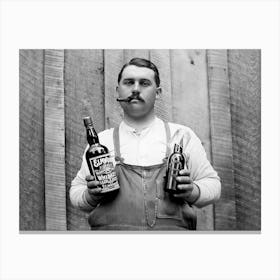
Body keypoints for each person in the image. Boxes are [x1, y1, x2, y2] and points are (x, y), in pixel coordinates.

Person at [70, 57, 221, 230]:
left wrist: (192, 191)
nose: (135, 89)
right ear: (118, 91)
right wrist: (90, 196)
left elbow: (213, 185)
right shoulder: (101, 143)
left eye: (144, 83)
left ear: (157, 92)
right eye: (128, 82)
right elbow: (76, 193)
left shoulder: (181, 136)